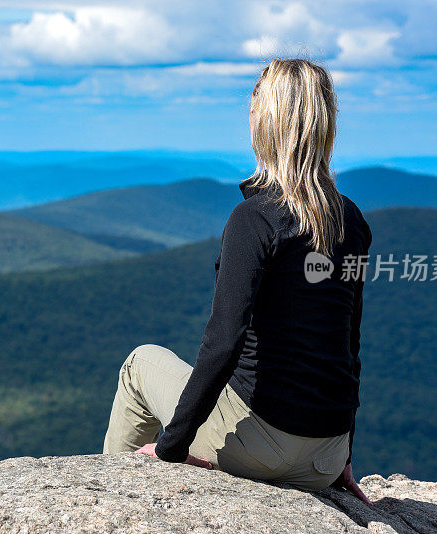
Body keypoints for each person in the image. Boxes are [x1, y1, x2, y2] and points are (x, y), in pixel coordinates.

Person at [102, 57, 373, 505]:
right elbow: (349, 344)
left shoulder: (254, 219)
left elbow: (224, 342)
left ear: (265, 122)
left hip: (261, 448)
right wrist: (342, 453)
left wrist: (172, 449)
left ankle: (110, 498)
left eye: (253, 108)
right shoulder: (352, 220)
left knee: (140, 363)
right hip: (325, 456)